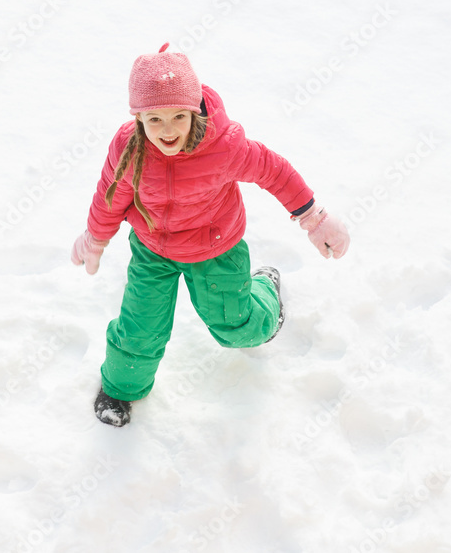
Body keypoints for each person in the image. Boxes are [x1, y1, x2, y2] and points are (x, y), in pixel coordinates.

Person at [71, 43, 350, 426]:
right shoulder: (129, 148)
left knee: (237, 329)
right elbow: (111, 193)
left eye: (177, 117)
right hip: (153, 251)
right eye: (154, 120)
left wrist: (314, 218)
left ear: (194, 110)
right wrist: (95, 238)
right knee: (140, 326)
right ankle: (121, 387)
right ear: (138, 119)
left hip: (216, 247)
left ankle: (265, 293)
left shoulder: (224, 146)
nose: (167, 131)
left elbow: (275, 172)